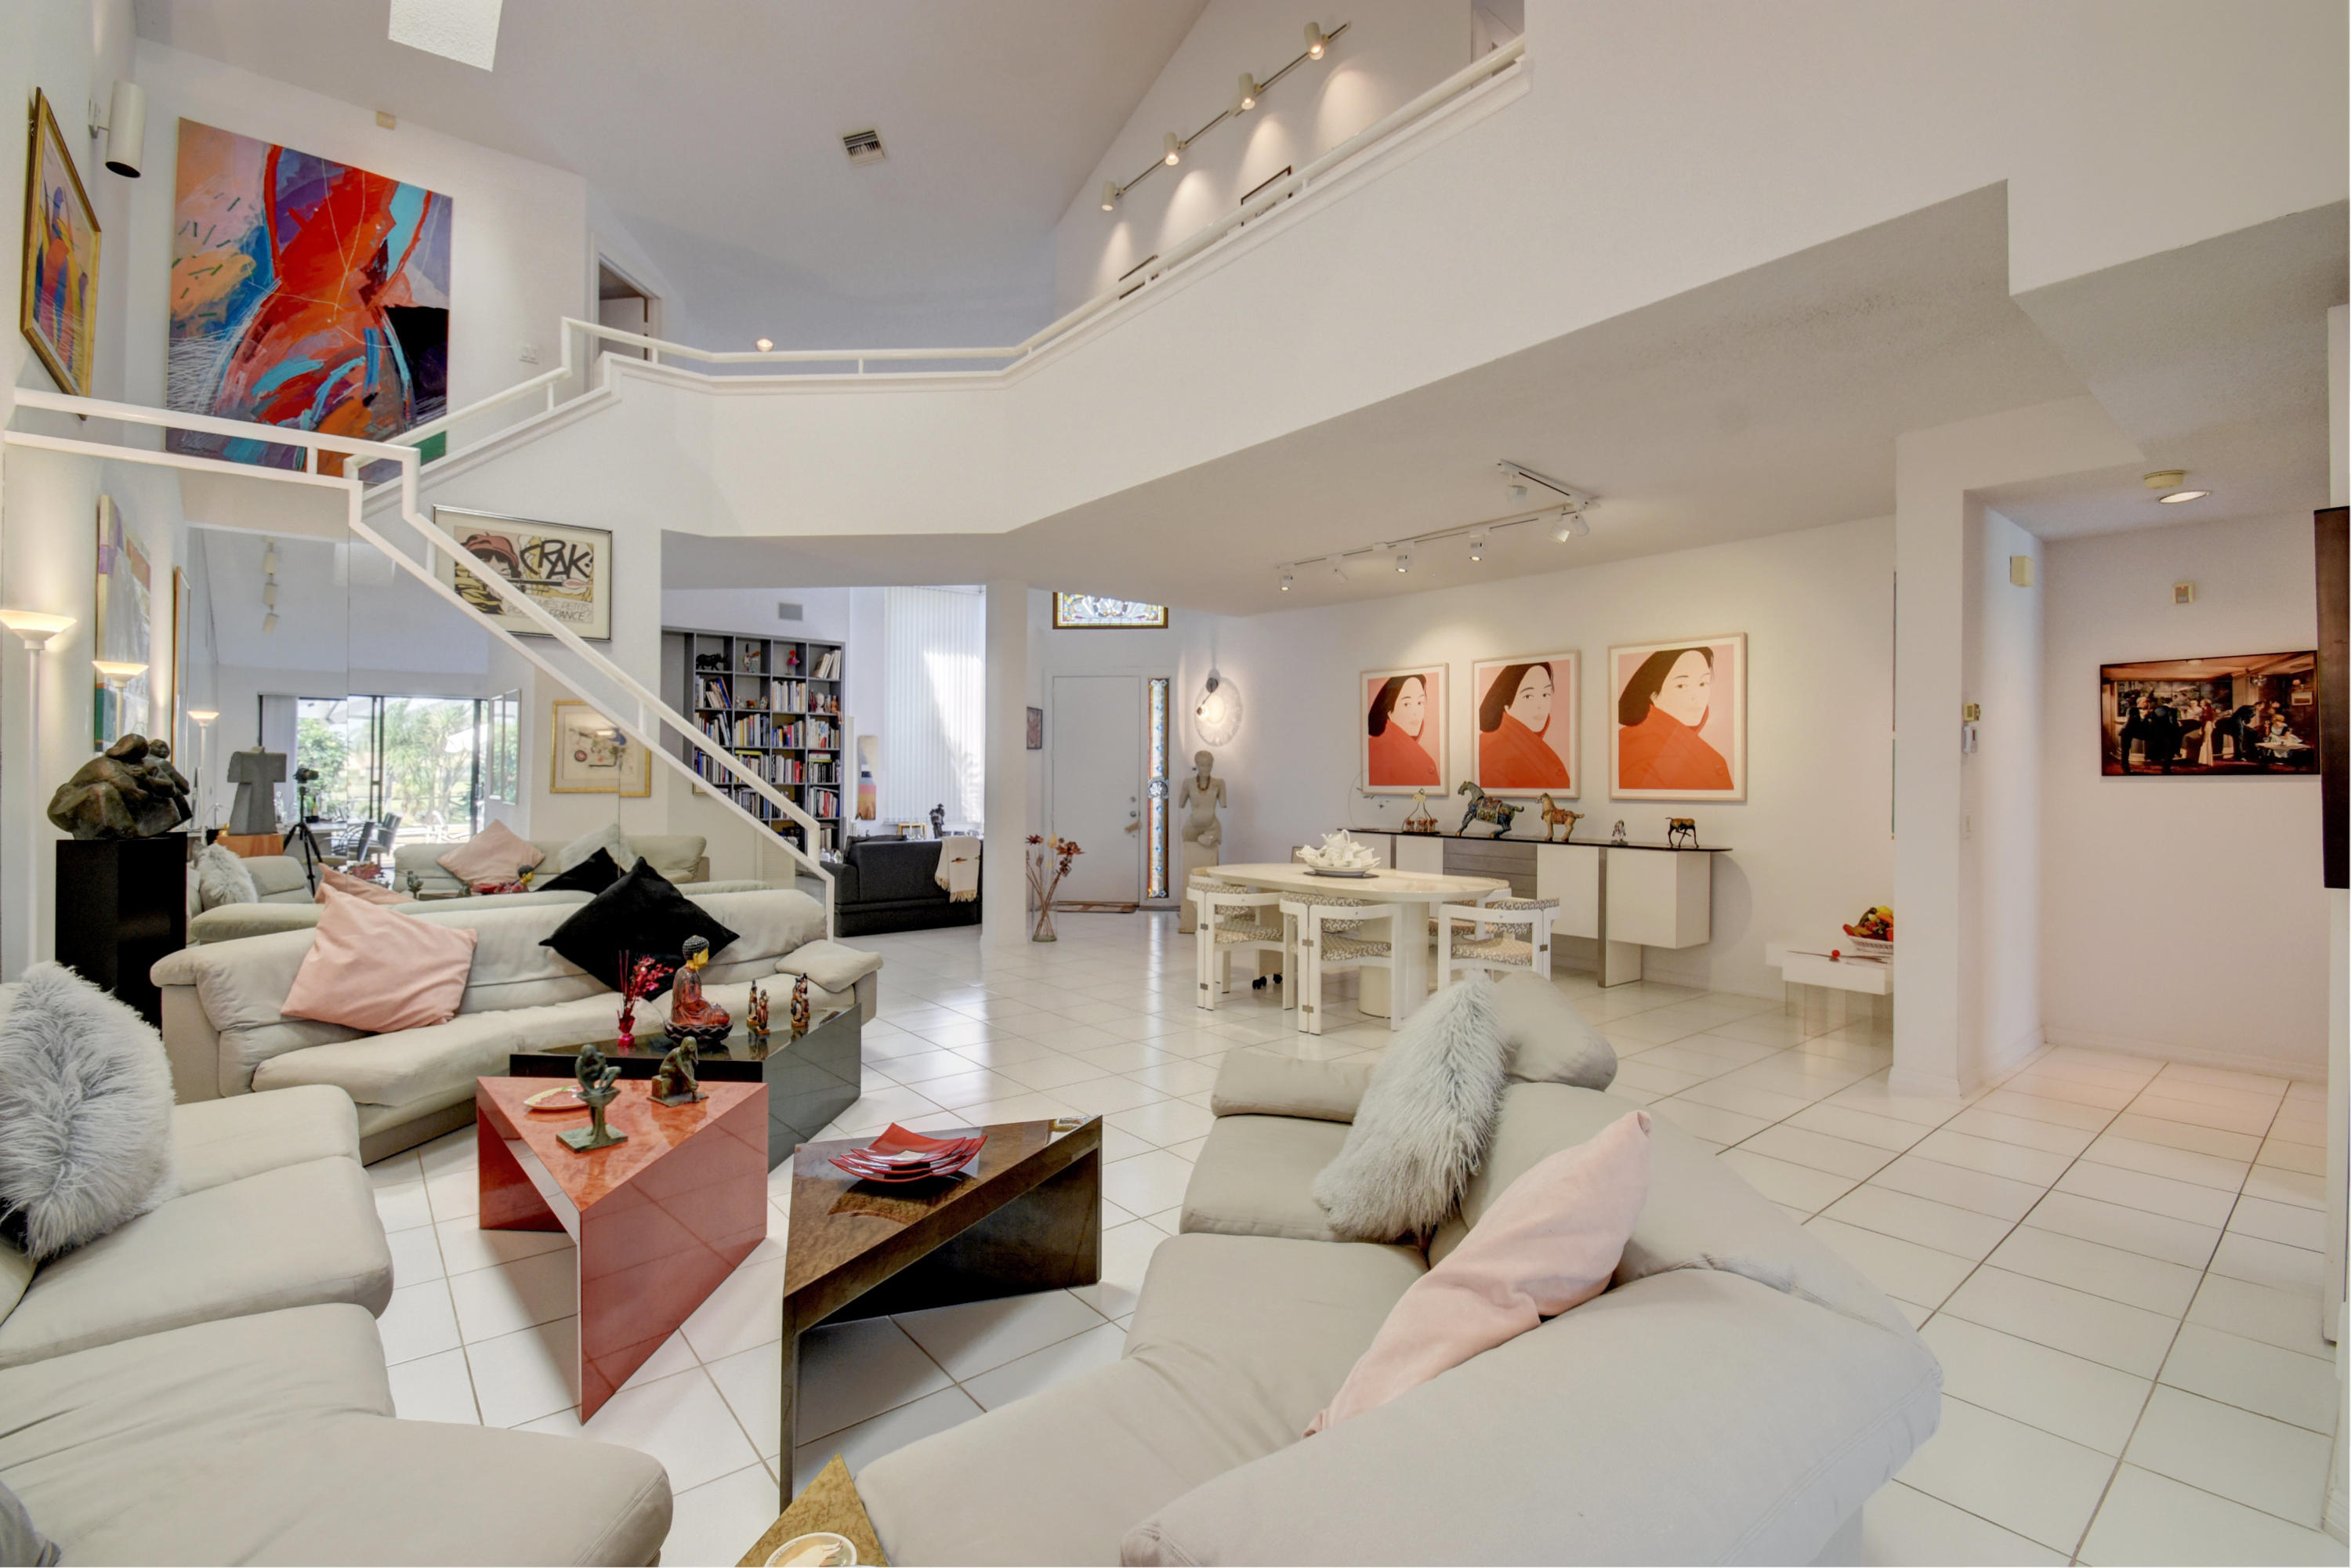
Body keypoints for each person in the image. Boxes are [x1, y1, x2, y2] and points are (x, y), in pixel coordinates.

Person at [1616, 647, 1733, 791]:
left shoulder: (1685, 744)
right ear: (1653, 695)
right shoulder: (1636, 750)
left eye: (1702, 683)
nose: (1696, 696)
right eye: (1681, 686)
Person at [1476, 662, 1571, 789]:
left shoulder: (1527, 745)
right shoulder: (1493, 753)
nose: (1540, 705)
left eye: (1545, 694)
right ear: (1507, 704)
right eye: (1528, 696)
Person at [1366, 673, 1440, 787]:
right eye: (1406, 704)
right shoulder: (1376, 752)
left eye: (1420, 703)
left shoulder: (1410, 751)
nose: (1416, 713)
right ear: (1389, 711)